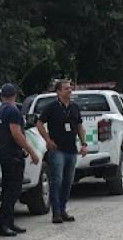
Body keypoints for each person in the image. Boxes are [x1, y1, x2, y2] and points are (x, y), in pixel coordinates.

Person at [37, 78, 89, 225]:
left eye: (70, 88)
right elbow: (39, 123)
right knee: (57, 180)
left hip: (71, 149)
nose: (70, 90)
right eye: (66, 88)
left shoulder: (74, 107)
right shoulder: (51, 107)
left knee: (68, 181)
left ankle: (63, 208)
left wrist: (84, 143)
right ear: (58, 91)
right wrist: (47, 140)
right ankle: (56, 212)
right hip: (57, 149)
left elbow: (79, 126)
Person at [0, 83, 40, 236]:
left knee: (7, 189)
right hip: (13, 154)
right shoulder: (13, 111)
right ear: (14, 95)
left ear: (2, 96)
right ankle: (3, 225)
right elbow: (16, 133)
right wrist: (31, 151)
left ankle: (10, 222)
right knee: (13, 190)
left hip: (3, 152)